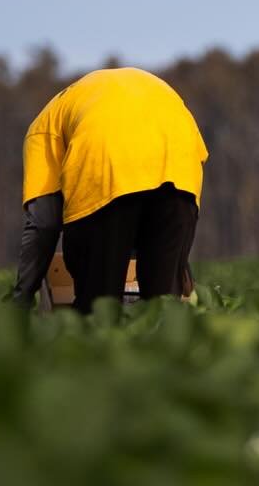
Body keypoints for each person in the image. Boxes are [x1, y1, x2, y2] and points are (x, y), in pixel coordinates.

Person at [11, 66, 208, 312]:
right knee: (162, 311)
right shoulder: (118, 94)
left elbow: (45, 223)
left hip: (106, 165)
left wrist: (21, 299)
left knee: (98, 310)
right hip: (181, 162)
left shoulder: (41, 128)